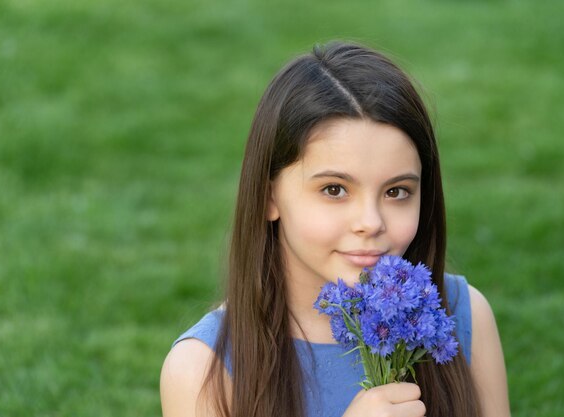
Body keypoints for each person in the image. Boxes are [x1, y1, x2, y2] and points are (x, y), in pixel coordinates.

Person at [160, 41, 510, 417]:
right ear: (268, 197)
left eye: (396, 191)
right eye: (334, 190)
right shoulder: (202, 369)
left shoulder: (462, 314)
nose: (371, 222)